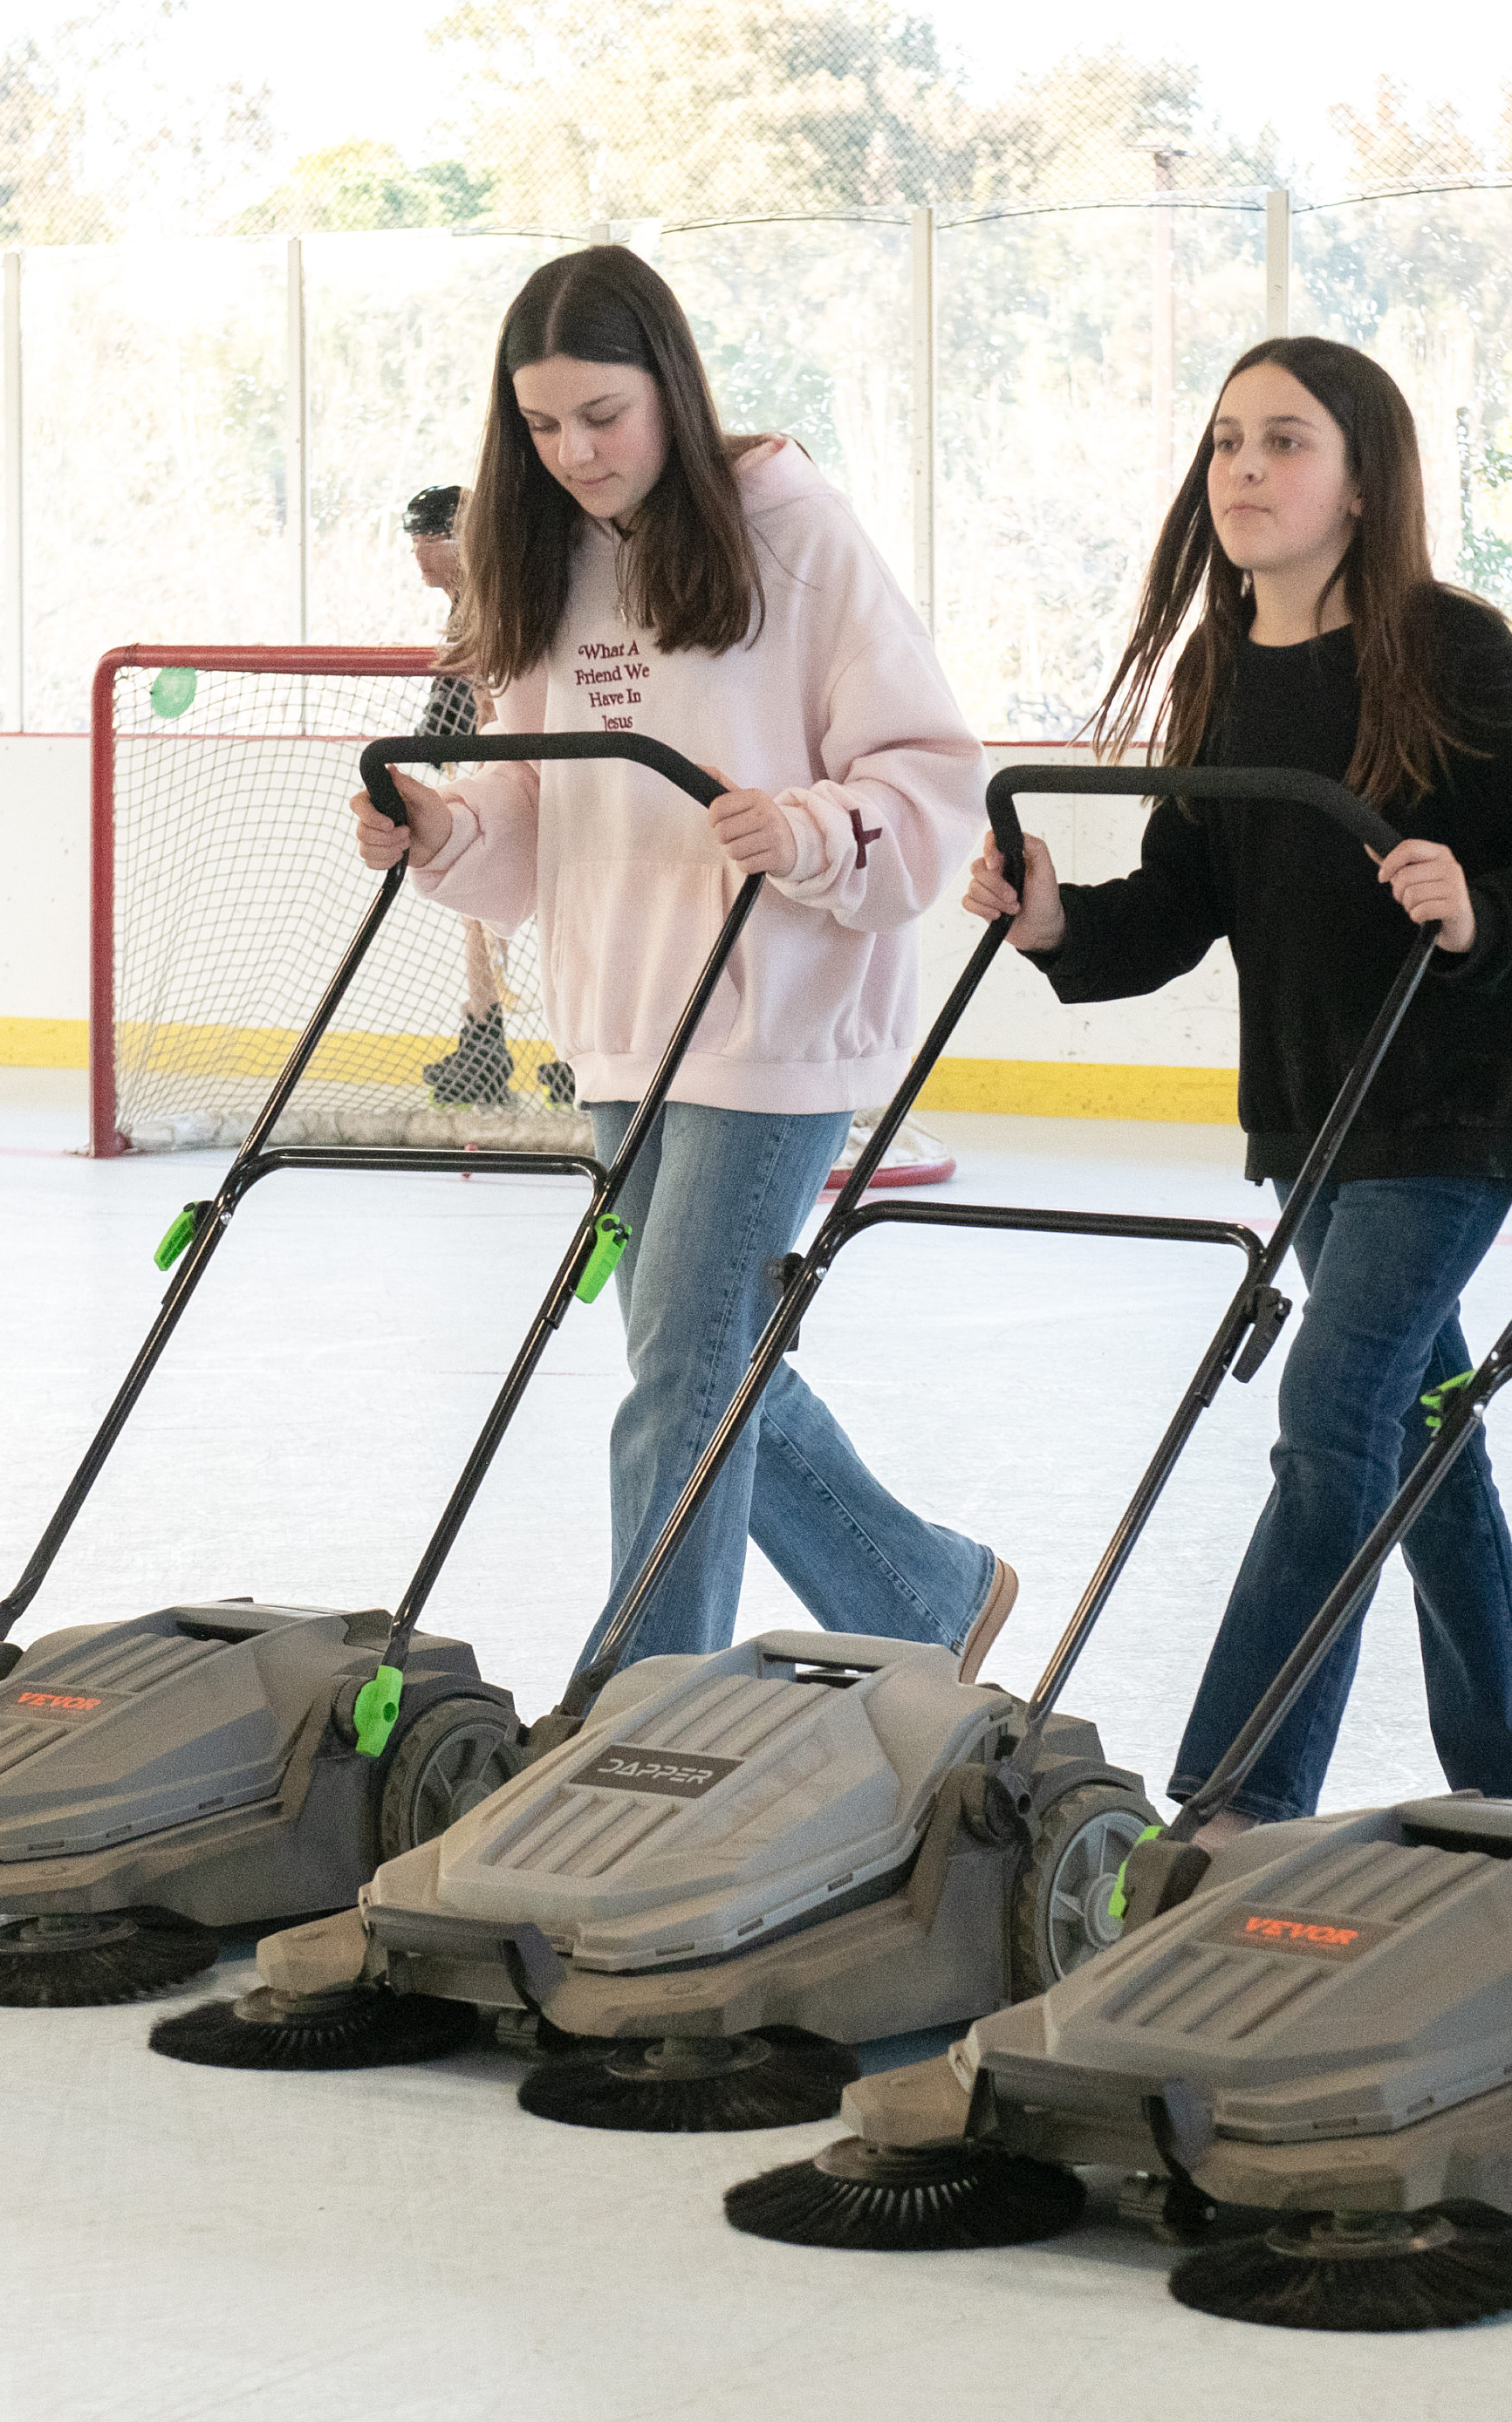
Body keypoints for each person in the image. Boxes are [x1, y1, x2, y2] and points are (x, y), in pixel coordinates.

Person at [964, 336, 1512, 1834]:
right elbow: (1186, 899)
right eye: (1225, 445)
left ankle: (1237, 1797)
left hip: (1452, 1108)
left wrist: (1477, 906)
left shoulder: (1454, 651)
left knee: (1335, 1413)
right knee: (1419, 1431)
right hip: (1312, 1120)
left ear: (1362, 476)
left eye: (1285, 442)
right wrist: (1058, 918)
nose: (1246, 471)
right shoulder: (1217, 670)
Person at [352, 245, 1016, 1680]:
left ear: (670, 384)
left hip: (776, 1017)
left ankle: (639, 1705)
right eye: (540, 426)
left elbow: (931, 772)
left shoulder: (795, 532)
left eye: (603, 413)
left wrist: (812, 827)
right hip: (619, 1022)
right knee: (708, 1373)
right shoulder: (545, 561)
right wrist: (437, 831)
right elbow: (533, 824)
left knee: (680, 1383)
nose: (575, 453)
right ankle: (926, 1600)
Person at [399, 482, 542, 1112]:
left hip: (523, 774)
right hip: (497, 771)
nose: (417, 554)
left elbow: (476, 703)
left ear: (457, 541)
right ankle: (486, 1034)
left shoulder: (493, 595)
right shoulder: (470, 599)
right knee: (479, 911)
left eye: (425, 539)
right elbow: (448, 720)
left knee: (521, 907)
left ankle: (514, 1042)